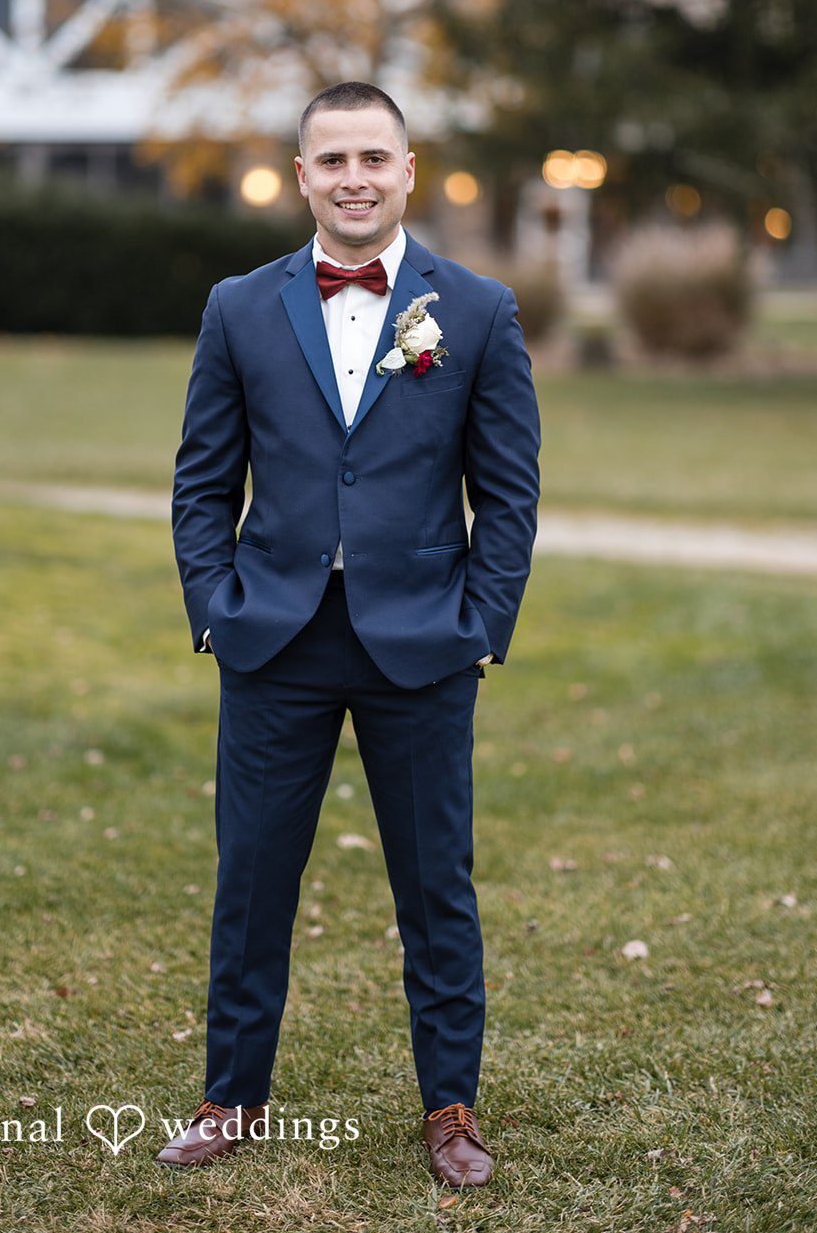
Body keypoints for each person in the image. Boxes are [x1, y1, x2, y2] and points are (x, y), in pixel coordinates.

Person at [158, 81, 541, 1187]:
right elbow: (199, 482)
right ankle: (230, 1095)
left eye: (374, 156)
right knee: (252, 881)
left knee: (436, 885)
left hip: (419, 642)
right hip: (271, 638)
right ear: (301, 172)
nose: (355, 178)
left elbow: (506, 494)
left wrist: (478, 618)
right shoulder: (238, 305)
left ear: (408, 170)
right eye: (332, 160)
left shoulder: (472, 310)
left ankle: (451, 1108)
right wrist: (216, 607)